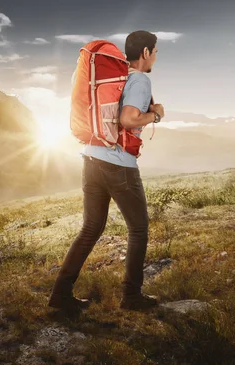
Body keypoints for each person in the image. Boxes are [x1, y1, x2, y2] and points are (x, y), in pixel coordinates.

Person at [48, 30, 165, 312]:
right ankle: (131, 296)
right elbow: (128, 119)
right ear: (146, 53)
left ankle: (60, 295)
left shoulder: (116, 77)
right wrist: (157, 114)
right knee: (138, 229)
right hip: (118, 165)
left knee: (90, 228)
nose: (157, 57)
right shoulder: (138, 79)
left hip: (91, 159)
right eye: (156, 51)